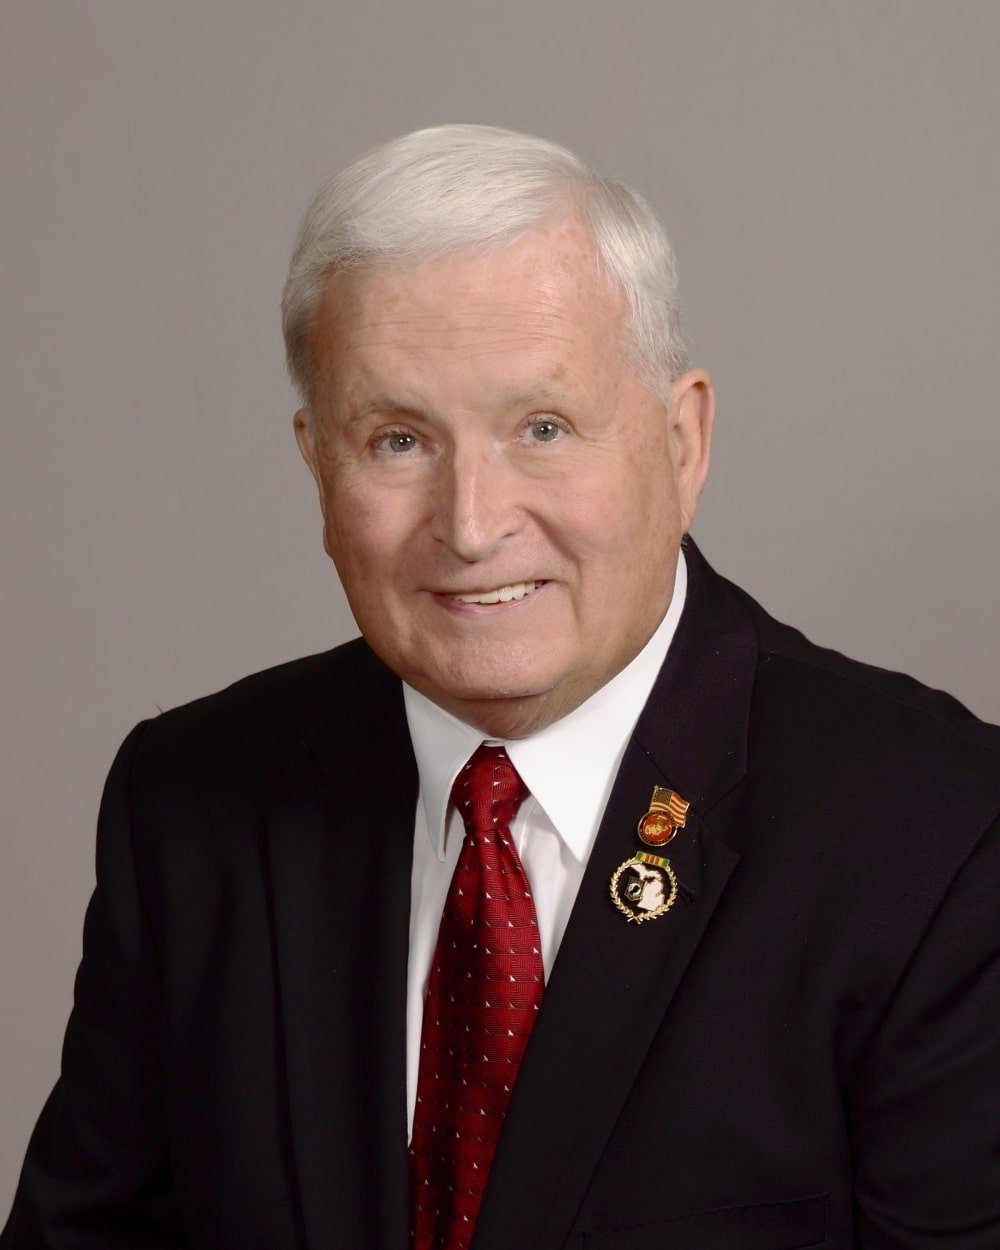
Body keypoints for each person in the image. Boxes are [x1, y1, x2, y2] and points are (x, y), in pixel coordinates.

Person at [3, 124, 999, 1250]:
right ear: (316, 464)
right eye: (395, 440)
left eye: (541, 427)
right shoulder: (192, 803)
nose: (472, 524)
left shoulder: (938, 835)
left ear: (683, 442)